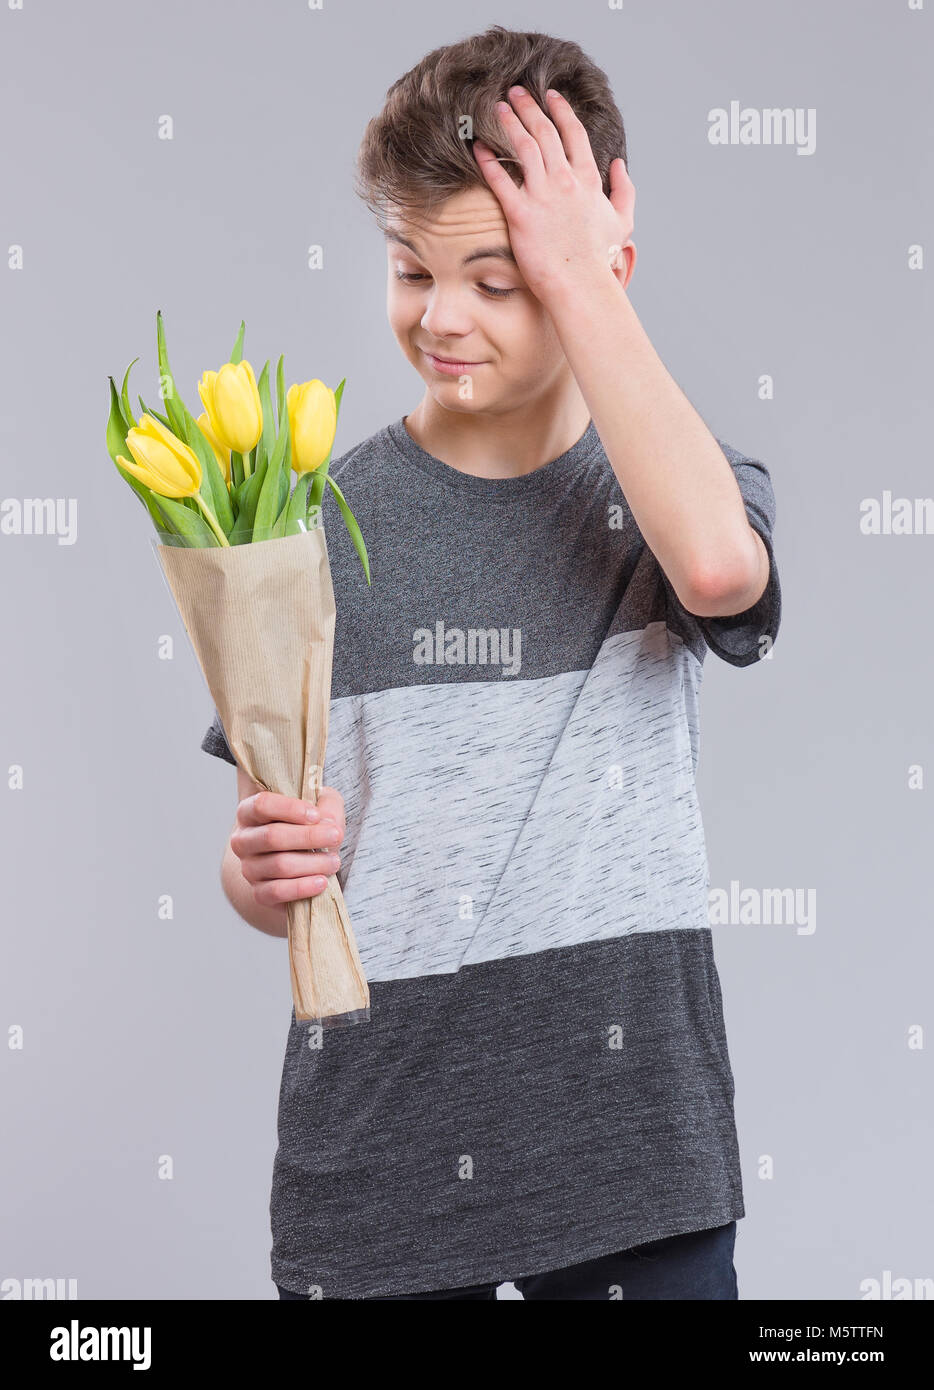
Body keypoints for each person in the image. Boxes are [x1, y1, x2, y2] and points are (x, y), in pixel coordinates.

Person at [201, 24, 781, 1301]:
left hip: (634, 1167)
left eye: (500, 279)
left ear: (598, 268)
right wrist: (259, 870)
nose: (440, 316)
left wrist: (588, 282)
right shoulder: (309, 529)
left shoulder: (674, 490)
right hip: (379, 1171)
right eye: (412, 268)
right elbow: (278, 863)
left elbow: (720, 576)